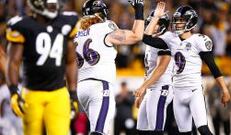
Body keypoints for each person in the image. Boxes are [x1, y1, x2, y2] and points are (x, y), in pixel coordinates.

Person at [143, 3, 231, 135]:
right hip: (177, 92)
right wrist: (156, 17)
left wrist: (224, 89)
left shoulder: (198, 40)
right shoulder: (171, 39)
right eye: (177, 20)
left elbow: (213, 67)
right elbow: (146, 38)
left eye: (181, 21)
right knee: (184, 133)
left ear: (191, 22)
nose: (178, 24)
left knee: (203, 129)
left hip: (194, 91)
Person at [5, 0, 79, 135]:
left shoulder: (67, 22)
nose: (54, 6)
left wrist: (73, 93)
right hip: (32, 93)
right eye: (50, 3)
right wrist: (13, 92)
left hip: (58, 93)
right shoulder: (23, 25)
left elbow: (71, 61)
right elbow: (13, 62)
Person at [73, 0, 145, 134]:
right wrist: (139, 9)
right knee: (99, 131)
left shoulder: (77, 33)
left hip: (82, 87)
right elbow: (137, 35)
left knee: (100, 130)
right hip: (99, 86)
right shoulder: (105, 27)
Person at [134, 3, 174, 134]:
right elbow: (149, 71)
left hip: (162, 87)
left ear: (162, 25)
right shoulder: (151, 43)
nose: (150, 25)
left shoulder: (166, 39)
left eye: (154, 22)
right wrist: (144, 90)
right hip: (152, 88)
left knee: (156, 130)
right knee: (142, 129)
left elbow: (161, 69)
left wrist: (143, 87)